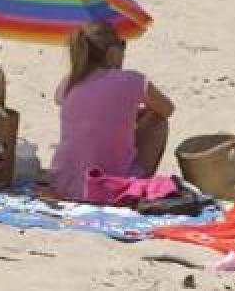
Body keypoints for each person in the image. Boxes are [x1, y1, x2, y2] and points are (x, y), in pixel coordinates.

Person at [50, 23, 174, 202]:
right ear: (111, 52)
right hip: (111, 186)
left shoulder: (70, 81)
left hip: (63, 185)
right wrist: (138, 114)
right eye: (122, 45)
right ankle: (136, 185)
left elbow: (61, 100)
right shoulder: (132, 80)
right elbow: (167, 109)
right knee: (158, 121)